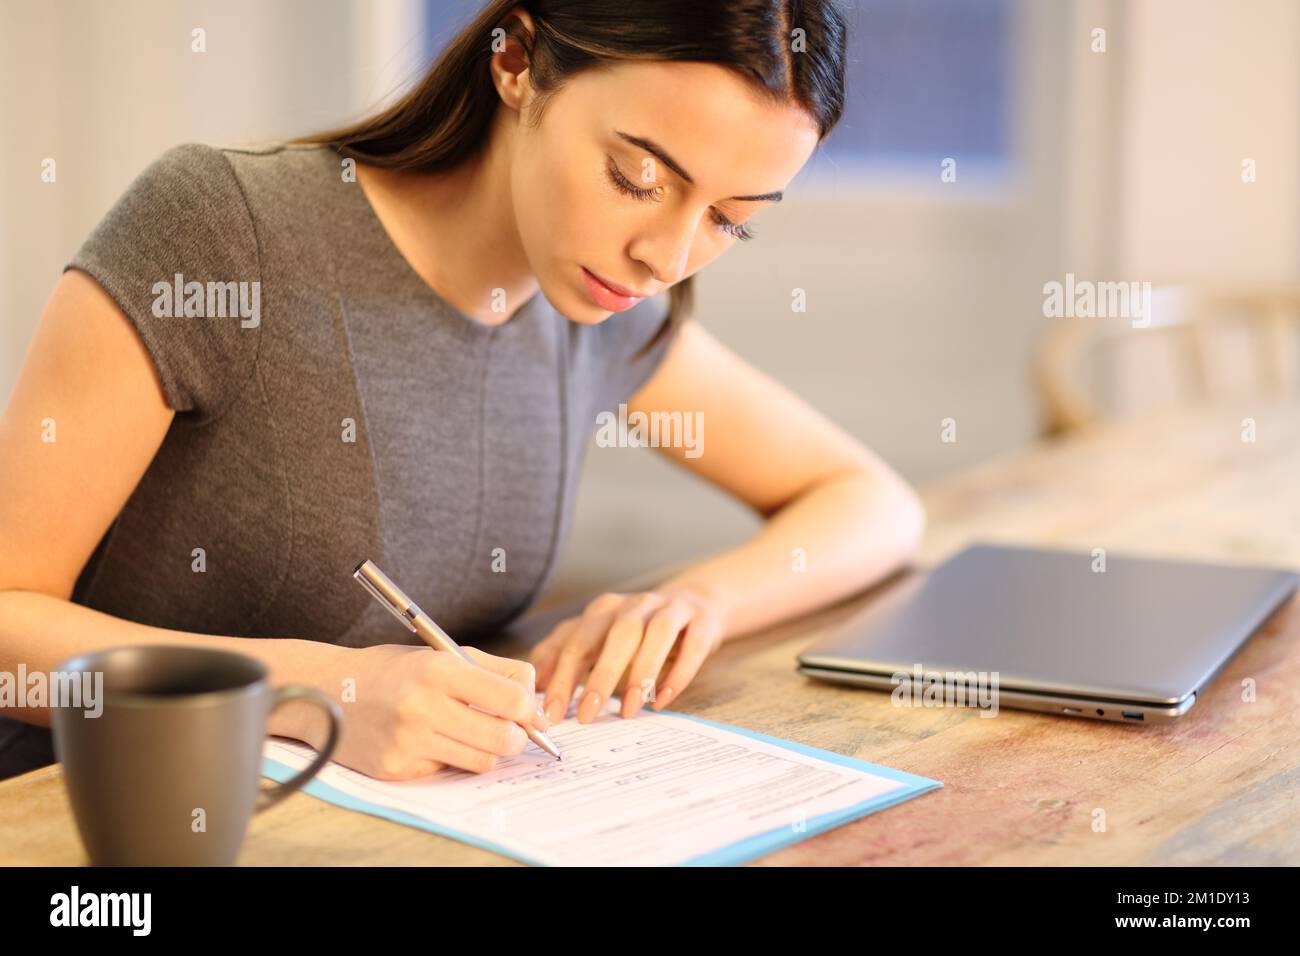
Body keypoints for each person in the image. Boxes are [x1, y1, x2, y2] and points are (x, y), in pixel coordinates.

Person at [0, 0, 924, 782]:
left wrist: (695, 603)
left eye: (731, 222)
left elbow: (870, 502)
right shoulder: (219, 231)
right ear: (516, 61)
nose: (668, 257)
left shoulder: (599, 308)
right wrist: (315, 690)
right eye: (636, 178)